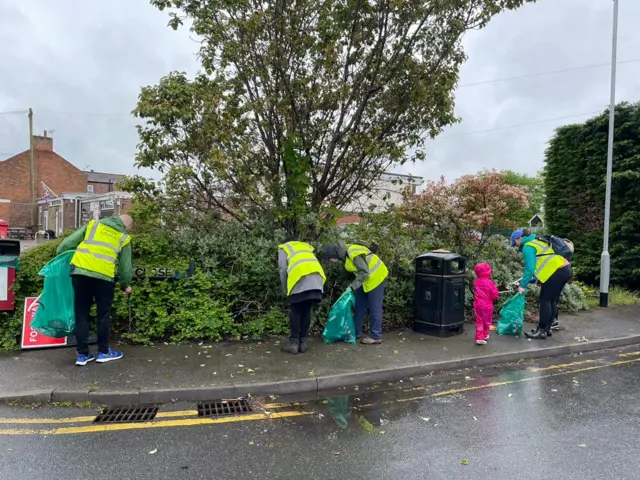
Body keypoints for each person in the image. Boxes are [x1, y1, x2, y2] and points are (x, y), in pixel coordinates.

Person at [57, 214, 133, 365]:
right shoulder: (124, 237)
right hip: (104, 277)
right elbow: (125, 268)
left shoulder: (93, 225)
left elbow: (65, 245)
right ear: (127, 226)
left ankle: (82, 355)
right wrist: (125, 285)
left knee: (81, 314)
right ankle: (103, 352)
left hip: (80, 273)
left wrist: (61, 258)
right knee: (103, 315)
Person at [320, 241, 388, 345]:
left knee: (375, 307)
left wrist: (352, 287)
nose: (331, 262)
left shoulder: (352, 252)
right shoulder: (345, 255)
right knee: (360, 306)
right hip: (365, 280)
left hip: (376, 277)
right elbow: (348, 270)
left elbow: (364, 272)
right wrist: (339, 280)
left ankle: (376, 336)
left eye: (330, 259)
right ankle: (355, 332)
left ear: (334, 254)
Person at [511, 229, 573, 340]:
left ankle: (541, 330)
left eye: (514, 243)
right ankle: (547, 329)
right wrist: (532, 280)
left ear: (519, 239)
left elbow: (529, 269)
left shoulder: (528, 246)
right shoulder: (538, 240)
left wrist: (522, 285)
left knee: (545, 301)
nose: (515, 247)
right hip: (565, 269)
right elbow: (543, 262)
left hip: (556, 272)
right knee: (552, 300)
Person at [278, 240, 326, 354]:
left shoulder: (284, 248)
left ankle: (293, 343)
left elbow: (283, 269)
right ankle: (303, 343)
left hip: (300, 278)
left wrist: (285, 290)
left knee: (296, 311)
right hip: (316, 279)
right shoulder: (305, 247)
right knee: (306, 310)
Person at [473, 263, 499, 345]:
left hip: (477, 303)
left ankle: (479, 336)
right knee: (487, 321)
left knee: (479, 320)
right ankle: (485, 334)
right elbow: (494, 294)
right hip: (487, 304)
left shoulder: (476, 282)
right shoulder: (489, 283)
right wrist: (495, 297)